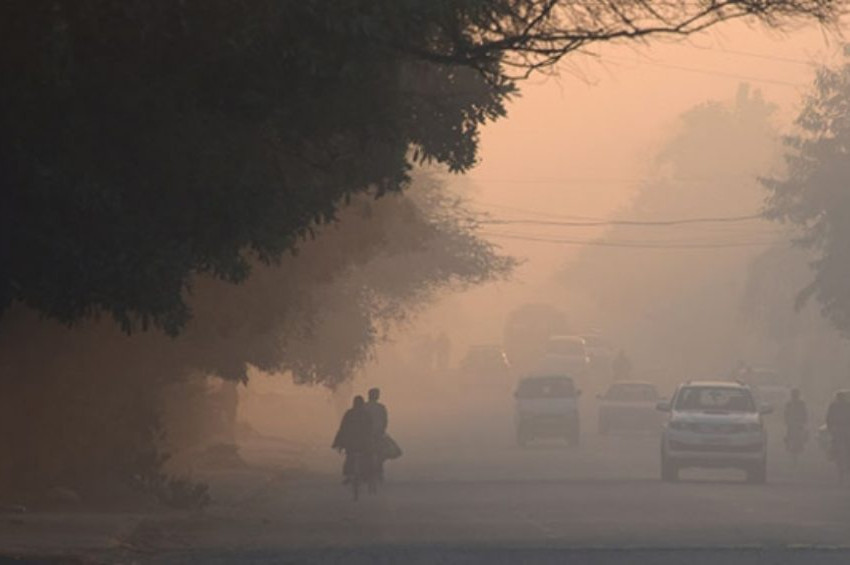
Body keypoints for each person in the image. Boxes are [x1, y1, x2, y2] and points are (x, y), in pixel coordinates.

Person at [332, 395, 373, 485]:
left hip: (351, 442)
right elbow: (370, 429)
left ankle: (348, 475)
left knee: (350, 457)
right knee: (365, 457)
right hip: (363, 442)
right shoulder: (366, 414)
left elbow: (343, 428)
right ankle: (365, 474)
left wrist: (338, 442)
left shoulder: (349, 413)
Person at [365, 387, 388, 480]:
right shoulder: (381, 407)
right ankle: (379, 471)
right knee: (380, 452)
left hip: (366, 434)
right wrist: (382, 430)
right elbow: (385, 421)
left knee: (366, 452)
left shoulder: (364, 406)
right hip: (378, 433)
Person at [826, 391, 850, 471]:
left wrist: (830, 427)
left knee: (837, 442)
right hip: (841, 428)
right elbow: (829, 418)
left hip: (840, 428)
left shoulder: (834, 406)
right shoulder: (846, 405)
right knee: (839, 443)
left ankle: (833, 455)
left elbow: (829, 418)